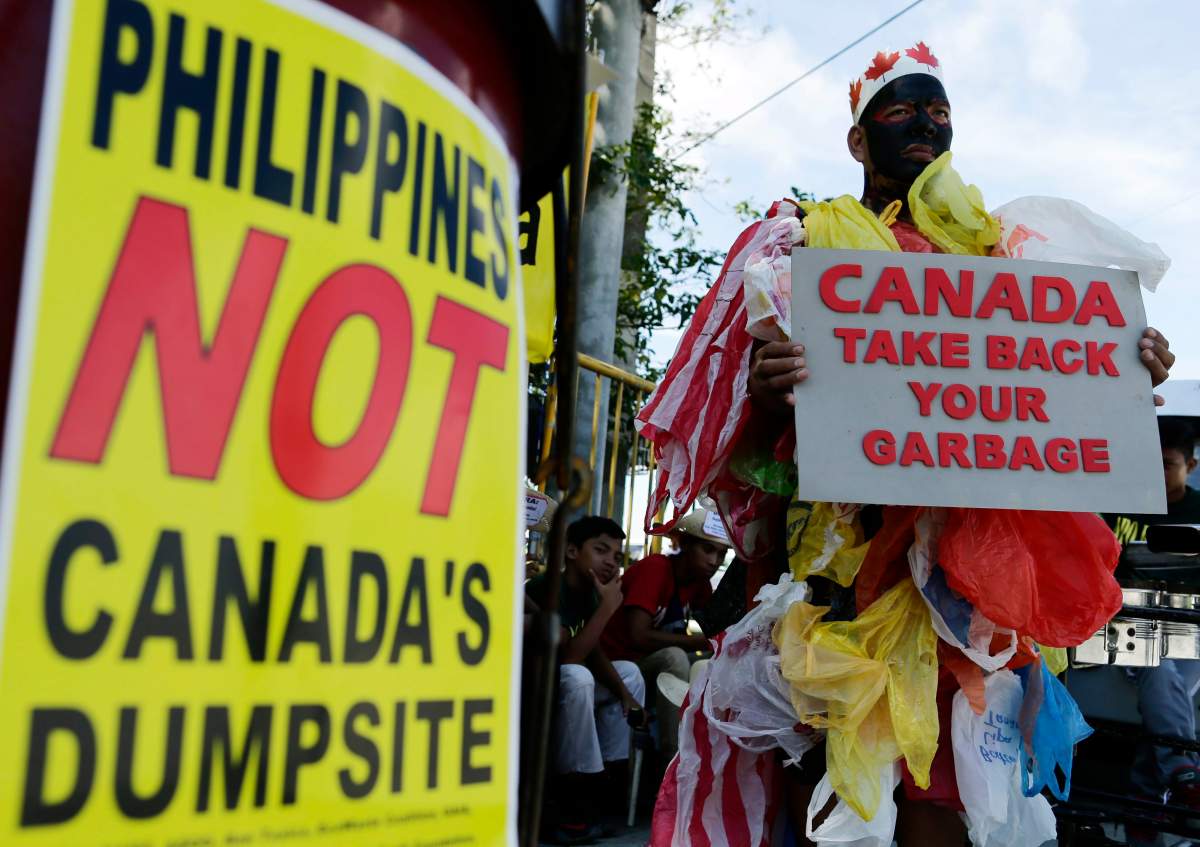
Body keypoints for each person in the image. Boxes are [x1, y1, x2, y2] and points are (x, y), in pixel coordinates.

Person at [637, 42, 1178, 847]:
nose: (925, 126)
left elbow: (1050, 392)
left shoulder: (999, 258)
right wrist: (762, 383)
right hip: (842, 578)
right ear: (858, 141)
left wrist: (1121, 371)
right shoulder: (801, 247)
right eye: (900, 112)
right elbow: (747, 441)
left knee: (945, 799)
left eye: (939, 113)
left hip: (966, 593)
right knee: (834, 800)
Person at [525, 515, 646, 843]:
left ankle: (608, 788)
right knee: (578, 678)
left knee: (630, 674)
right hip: (536, 691)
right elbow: (571, 657)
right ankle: (576, 794)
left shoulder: (591, 592)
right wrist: (608, 608)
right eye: (601, 550)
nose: (610, 562)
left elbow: (593, 652)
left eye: (617, 557)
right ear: (572, 552)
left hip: (566, 682)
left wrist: (625, 694)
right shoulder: (548, 586)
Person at [1104, 417, 1200, 814]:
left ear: (1190, 467)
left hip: (1188, 622)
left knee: (1170, 682)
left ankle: (1146, 799)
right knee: (1158, 667)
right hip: (1124, 619)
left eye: (1166, 463)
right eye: (1148, 460)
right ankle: (1181, 770)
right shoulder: (1117, 502)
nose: (1155, 471)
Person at [601, 509, 728, 751]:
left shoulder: (699, 584)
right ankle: (674, 755)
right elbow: (638, 636)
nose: (715, 561)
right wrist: (699, 642)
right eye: (708, 550)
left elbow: (715, 632)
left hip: (646, 664)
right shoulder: (655, 568)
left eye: (721, 554)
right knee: (676, 656)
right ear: (685, 544)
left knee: (710, 664)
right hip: (619, 666)